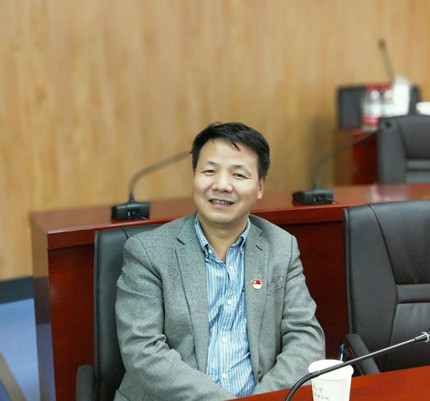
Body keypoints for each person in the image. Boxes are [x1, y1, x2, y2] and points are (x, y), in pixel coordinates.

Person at [115, 122, 325, 401]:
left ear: (260, 187)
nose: (222, 185)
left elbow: (306, 337)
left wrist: (262, 399)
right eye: (209, 171)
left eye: (238, 174)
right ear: (194, 177)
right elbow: (142, 351)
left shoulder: (281, 247)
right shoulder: (149, 252)